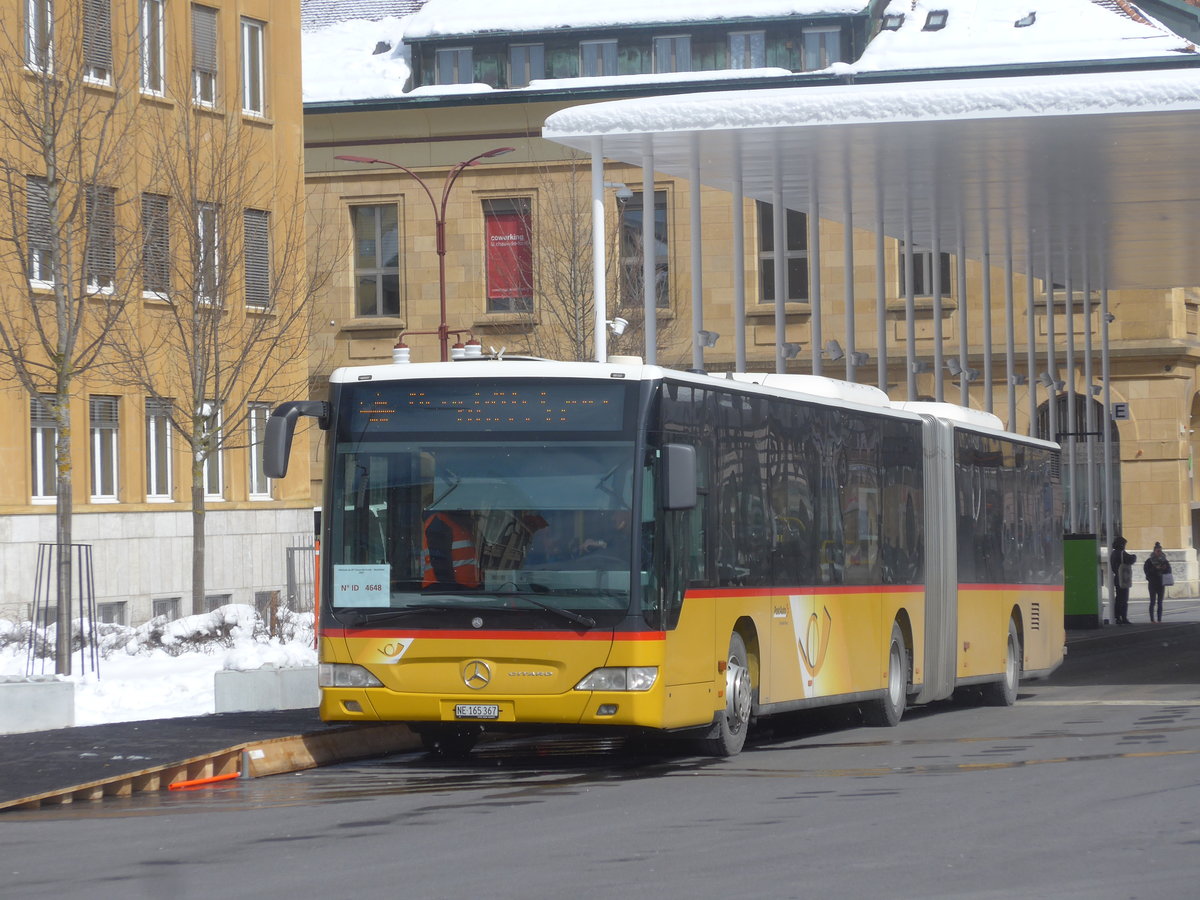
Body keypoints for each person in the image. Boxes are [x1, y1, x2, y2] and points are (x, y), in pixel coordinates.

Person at [421, 510, 480, 589]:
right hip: (446, 589)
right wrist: (452, 591)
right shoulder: (439, 523)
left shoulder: (455, 524)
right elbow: (441, 564)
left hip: (462, 588)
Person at [1143, 541, 1172, 624]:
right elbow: (1147, 571)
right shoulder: (1149, 561)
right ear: (1154, 551)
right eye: (1158, 551)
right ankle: (1152, 619)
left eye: (1160, 551)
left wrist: (1164, 569)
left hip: (1161, 583)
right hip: (1152, 583)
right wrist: (1156, 568)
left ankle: (1159, 619)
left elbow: (1169, 570)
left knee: (1160, 602)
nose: (1159, 553)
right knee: (1152, 602)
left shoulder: (1164, 560)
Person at [1110, 536, 1136, 625]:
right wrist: (1134, 556)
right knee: (1123, 599)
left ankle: (1117, 616)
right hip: (1123, 578)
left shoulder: (1113, 553)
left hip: (1117, 578)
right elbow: (1130, 559)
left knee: (1118, 598)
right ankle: (1123, 617)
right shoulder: (1120, 553)